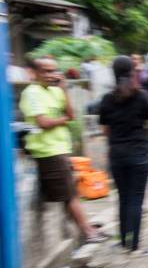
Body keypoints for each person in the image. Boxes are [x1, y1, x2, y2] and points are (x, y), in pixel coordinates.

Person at [19, 57, 106, 243]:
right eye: (46, 71)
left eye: (54, 71)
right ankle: (88, 232)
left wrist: (64, 89)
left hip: (60, 147)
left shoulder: (55, 91)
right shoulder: (32, 92)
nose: (51, 75)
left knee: (71, 191)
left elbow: (71, 114)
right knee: (69, 194)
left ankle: (86, 229)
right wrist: (62, 120)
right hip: (47, 151)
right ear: (35, 73)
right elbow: (43, 123)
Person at [99, 56, 148, 253]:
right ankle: (135, 245)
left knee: (123, 198)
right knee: (136, 199)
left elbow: (105, 130)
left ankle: (123, 240)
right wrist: (142, 139)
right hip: (139, 153)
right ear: (133, 72)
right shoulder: (142, 97)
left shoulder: (107, 99)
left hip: (117, 154)